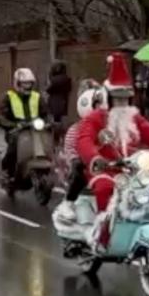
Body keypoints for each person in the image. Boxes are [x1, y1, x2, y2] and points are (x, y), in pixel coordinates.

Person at [77, 53, 149, 244]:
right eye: (117, 99)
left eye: (125, 99)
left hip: (133, 170)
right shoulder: (96, 118)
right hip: (105, 170)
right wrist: (96, 158)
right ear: (108, 98)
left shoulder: (134, 117)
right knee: (106, 188)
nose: (122, 104)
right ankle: (103, 237)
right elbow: (84, 140)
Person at [58, 81, 107, 221]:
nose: (101, 108)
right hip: (86, 168)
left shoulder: (109, 128)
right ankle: (68, 202)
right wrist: (76, 160)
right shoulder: (76, 129)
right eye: (97, 105)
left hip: (107, 167)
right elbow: (71, 151)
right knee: (79, 169)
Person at [0, 67, 47, 183]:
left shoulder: (37, 97)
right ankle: (7, 170)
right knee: (14, 145)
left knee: (48, 140)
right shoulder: (8, 97)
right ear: (17, 83)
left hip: (35, 129)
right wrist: (12, 125)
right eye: (24, 84)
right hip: (16, 130)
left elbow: (46, 113)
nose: (27, 86)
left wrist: (49, 122)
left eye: (29, 84)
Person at [46, 61, 72, 125]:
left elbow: (48, 89)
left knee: (54, 122)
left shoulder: (54, 80)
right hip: (63, 102)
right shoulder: (67, 79)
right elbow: (69, 89)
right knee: (60, 121)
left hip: (54, 103)